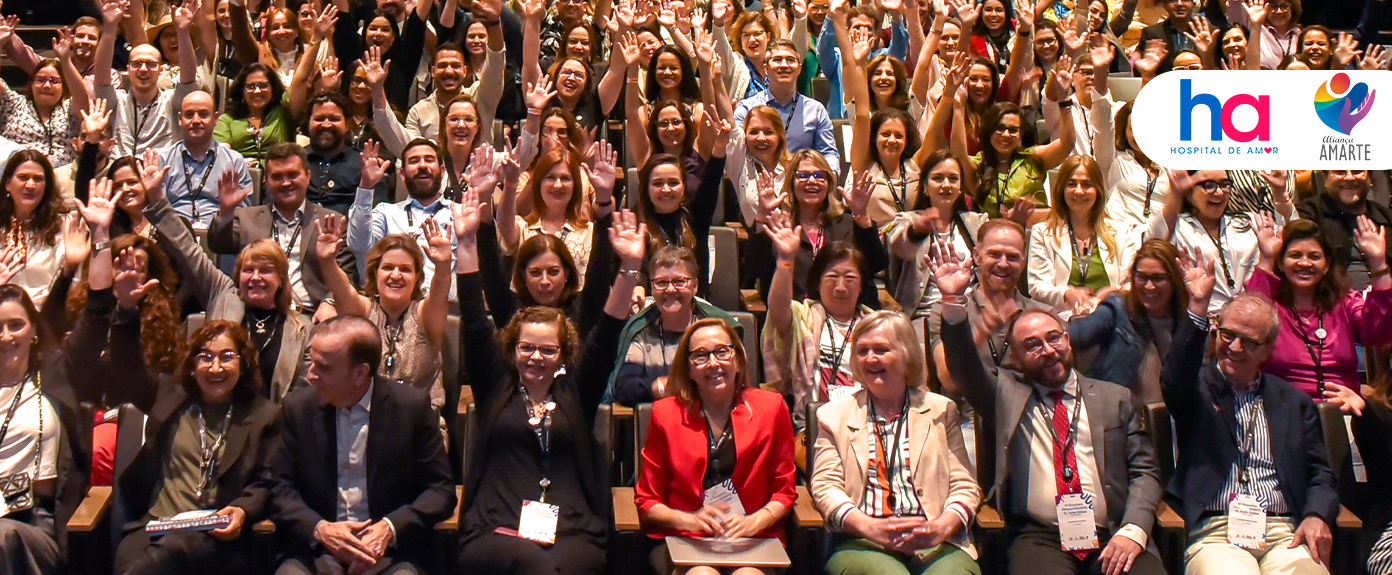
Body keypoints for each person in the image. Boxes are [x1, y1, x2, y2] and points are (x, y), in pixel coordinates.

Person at [934, 244, 1166, 575]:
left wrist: (1134, 530)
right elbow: (961, 366)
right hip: (1041, 537)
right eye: (1031, 345)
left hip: (1114, 532)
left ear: (1068, 341)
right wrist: (953, 303)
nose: (1047, 350)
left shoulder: (1116, 398)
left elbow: (1146, 472)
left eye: (1054, 338)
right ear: (1014, 357)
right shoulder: (1006, 395)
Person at [453, 189, 643, 575]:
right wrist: (467, 242)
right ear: (512, 349)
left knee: (553, 566)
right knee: (534, 565)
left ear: (563, 354)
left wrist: (630, 267)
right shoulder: (495, 387)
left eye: (547, 350)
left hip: (572, 530)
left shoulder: (577, 391)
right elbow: (474, 319)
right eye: (527, 349)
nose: (536, 357)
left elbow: (607, 331)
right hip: (496, 524)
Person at [1164, 272, 1338, 574]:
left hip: (1285, 531)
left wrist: (1316, 514)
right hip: (1217, 532)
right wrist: (1197, 307)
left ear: (1268, 348)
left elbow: (1319, 473)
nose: (1233, 347)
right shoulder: (1195, 390)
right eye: (1227, 334)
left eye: (1248, 341)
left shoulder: (1295, 402)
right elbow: (1174, 377)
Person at [267, 315, 456, 575]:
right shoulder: (297, 408)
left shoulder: (411, 408)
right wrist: (320, 528)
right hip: (316, 552)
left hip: (391, 555)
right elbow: (279, 488)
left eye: (323, 367)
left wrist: (390, 528)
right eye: (312, 362)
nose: (310, 375)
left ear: (359, 373)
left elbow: (441, 491)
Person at [811, 310, 982, 575]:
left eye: (881, 350)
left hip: (937, 542)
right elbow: (825, 487)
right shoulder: (833, 416)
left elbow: (964, 485)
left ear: (907, 355)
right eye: (862, 351)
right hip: (863, 541)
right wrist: (869, 527)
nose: (870, 359)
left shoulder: (940, 410)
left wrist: (942, 527)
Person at [143, 151, 312, 401]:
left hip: (271, 428)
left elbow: (303, 393)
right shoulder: (223, 294)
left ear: (281, 279)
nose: (255, 277)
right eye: (248, 270)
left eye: (265, 270)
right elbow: (186, 249)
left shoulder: (303, 328)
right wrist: (157, 198)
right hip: (215, 414)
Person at [635, 318, 798, 575]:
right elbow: (647, 500)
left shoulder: (771, 407)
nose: (713, 363)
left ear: (737, 359)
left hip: (753, 537)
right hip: (688, 537)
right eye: (700, 356)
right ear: (688, 369)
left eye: (722, 351)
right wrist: (693, 519)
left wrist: (755, 522)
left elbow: (784, 491)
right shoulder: (664, 414)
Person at [314, 214, 452, 413]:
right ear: (375, 273)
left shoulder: (425, 314)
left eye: (405, 269)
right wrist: (327, 261)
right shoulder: (363, 310)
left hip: (421, 426)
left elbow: (440, 289)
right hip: (366, 421)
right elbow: (341, 288)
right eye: (388, 267)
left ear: (417, 277)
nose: (395, 275)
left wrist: (443, 266)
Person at [762, 208, 881, 438]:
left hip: (868, 425)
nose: (841, 287)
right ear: (817, 281)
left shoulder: (877, 326)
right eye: (832, 277)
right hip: (814, 427)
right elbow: (778, 311)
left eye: (850, 278)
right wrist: (786, 261)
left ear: (862, 284)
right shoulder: (803, 316)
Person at [1246, 215, 1392, 400]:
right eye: (1295, 255)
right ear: (1281, 264)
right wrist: (1267, 258)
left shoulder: (1344, 302)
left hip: (1344, 410)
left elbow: (1382, 332)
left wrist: (1378, 264)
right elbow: (1247, 326)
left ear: (1326, 265)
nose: (1305, 263)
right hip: (1285, 413)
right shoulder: (1268, 302)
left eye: (1314, 256)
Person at [208, 142, 356, 312]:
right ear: (266, 182)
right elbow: (217, 245)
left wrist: (329, 303)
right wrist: (225, 212)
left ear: (308, 177)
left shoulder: (331, 222)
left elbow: (349, 275)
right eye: (277, 177)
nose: (285, 183)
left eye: (292, 175)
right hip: (257, 311)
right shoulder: (245, 218)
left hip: (312, 314)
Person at [743, 151, 886, 308]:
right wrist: (762, 216)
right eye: (803, 176)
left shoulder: (848, 222)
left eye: (819, 175)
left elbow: (877, 264)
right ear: (791, 182)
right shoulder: (779, 225)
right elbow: (754, 269)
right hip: (793, 317)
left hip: (846, 315)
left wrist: (862, 215)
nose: (812, 181)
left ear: (828, 183)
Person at [604, 245, 742, 406]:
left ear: (695, 286)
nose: (670, 289)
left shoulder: (716, 328)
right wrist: (657, 389)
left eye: (679, 281)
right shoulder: (640, 331)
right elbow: (625, 389)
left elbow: (735, 381)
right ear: (652, 288)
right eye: (661, 282)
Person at [1066, 238, 1189, 406]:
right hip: (1121, 415)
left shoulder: (1187, 319)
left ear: (1175, 280)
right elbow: (1072, 337)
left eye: (1158, 278)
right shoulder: (1117, 308)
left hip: (1174, 415)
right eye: (1142, 277)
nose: (1149, 286)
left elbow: (1199, 374)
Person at [883, 149, 988, 315]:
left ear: (960, 186)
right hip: (923, 314)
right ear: (925, 185)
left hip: (971, 313)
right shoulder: (906, 221)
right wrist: (917, 232)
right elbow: (899, 247)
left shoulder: (977, 222)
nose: (946, 184)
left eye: (953, 179)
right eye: (938, 178)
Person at [349, 139, 456, 299]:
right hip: (389, 308)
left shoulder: (460, 213)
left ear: (442, 172)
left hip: (447, 310)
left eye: (429, 159)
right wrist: (366, 186)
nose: (422, 166)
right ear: (403, 174)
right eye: (414, 161)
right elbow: (358, 245)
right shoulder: (386, 212)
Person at [92, 0, 200, 156]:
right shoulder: (117, 101)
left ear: (160, 70)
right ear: (128, 69)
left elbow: (188, 79)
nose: (143, 69)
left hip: (163, 174)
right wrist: (109, 29)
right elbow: (101, 77)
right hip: (122, 174)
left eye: (150, 64)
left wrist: (183, 32)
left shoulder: (172, 101)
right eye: (137, 64)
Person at [1027, 155, 1128, 315]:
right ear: (1061, 189)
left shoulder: (1122, 231)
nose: (1079, 191)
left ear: (1098, 190)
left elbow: (1129, 285)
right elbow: (1037, 286)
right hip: (1064, 321)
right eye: (1072, 184)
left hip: (1111, 319)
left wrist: (1112, 293)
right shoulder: (1042, 232)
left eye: (1087, 184)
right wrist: (1066, 294)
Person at [732, 40, 839, 178]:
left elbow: (829, 153)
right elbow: (737, 151)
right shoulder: (747, 108)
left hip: (802, 184)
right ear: (766, 68)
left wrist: (828, 176)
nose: (784, 65)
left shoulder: (816, 110)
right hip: (758, 180)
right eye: (777, 60)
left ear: (799, 68)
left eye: (790, 60)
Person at [158, 89, 254, 228]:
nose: (196, 120)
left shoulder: (234, 162)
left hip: (220, 235)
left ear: (216, 119)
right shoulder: (164, 160)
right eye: (189, 115)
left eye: (203, 114)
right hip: (174, 235)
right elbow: (158, 212)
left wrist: (225, 214)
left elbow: (243, 215)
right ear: (180, 119)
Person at [0, 28, 90, 169]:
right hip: (17, 174)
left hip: (61, 177)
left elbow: (82, 96)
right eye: (41, 80)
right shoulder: (15, 103)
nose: (47, 85)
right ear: (31, 83)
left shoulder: (69, 108)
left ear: (63, 86)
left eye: (54, 81)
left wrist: (65, 60)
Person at [0, 151, 80, 307]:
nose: (30, 185)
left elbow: (74, 290)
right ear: (7, 184)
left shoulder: (64, 227)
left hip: (49, 319)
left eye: (38, 179)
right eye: (23, 177)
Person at [1298, 170, 1392, 291]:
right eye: (1340, 172)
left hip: (1384, 301)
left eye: (1357, 171)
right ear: (1324, 178)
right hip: (1330, 303)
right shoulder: (1308, 213)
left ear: (1370, 177)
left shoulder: (1387, 218)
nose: (1349, 177)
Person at [304, 92, 391, 215]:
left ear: (347, 124)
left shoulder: (365, 165)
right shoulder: (295, 161)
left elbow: (379, 214)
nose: (326, 125)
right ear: (308, 122)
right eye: (319, 119)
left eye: (334, 119)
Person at [212, 63, 294, 167]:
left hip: (279, 174)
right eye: (251, 86)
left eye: (263, 85)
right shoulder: (227, 120)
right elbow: (223, 156)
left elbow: (301, 81)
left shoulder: (283, 113)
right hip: (239, 175)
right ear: (242, 91)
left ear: (273, 89)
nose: (257, 91)